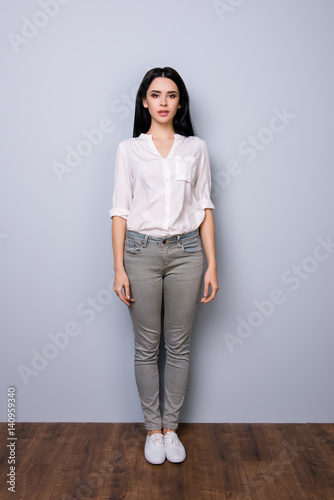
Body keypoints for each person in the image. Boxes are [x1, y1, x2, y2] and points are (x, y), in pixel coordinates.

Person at [109, 67, 219, 465]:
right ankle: (151, 430)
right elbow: (120, 210)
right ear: (144, 101)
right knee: (146, 346)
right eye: (155, 95)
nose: (163, 102)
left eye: (171, 95)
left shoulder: (196, 149)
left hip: (188, 253)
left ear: (180, 102)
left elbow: (204, 206)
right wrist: (119, 268)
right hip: (140, 252)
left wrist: (211, 264)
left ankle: (170, 428)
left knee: (179, 345)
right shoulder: (129, 149)